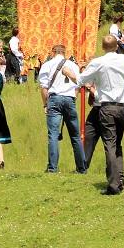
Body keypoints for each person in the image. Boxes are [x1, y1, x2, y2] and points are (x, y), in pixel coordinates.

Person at [78, 34, 124, 195]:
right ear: (117, 46)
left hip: (107, 106)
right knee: (117, 143)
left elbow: (81, 80)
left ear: (103, 47)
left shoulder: (98, 62)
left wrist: (73, 71)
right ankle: (120, 179)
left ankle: (113, 184)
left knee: (110, 144)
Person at [38, 45, 85, 174]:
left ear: (53, 52)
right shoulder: (73, 65)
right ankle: (81, 168)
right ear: (65, 53)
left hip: (54, 99)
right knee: (75, 135)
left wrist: (45, 104)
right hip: (69, 99)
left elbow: (44, 88)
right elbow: (77, 85)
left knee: (53, 134)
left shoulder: (47, 65)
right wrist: (73, 98)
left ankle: (52, 168)